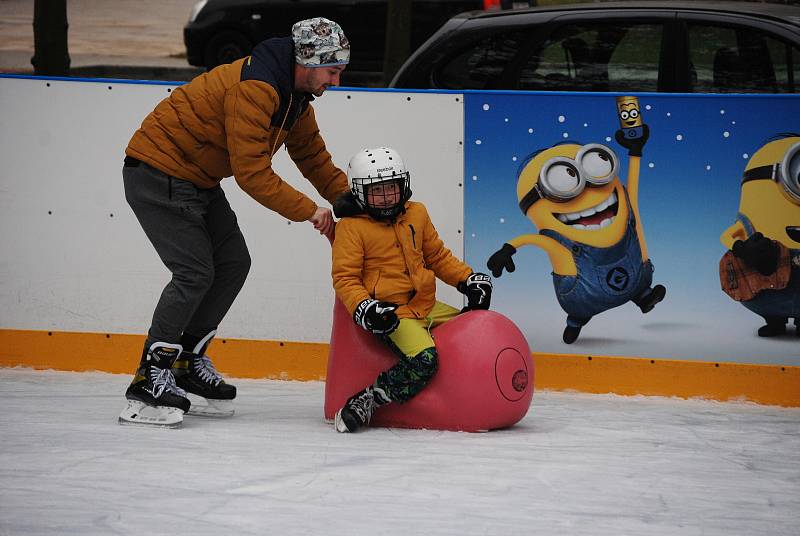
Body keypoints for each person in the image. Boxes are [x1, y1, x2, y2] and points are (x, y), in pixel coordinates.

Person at [119, 17, 352, 428]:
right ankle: (148, 378)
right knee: (194, 272)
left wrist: (352, 203)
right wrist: (310, 211)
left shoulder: (295, 97)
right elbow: (252, 174)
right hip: (158, 172)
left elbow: (314, 158)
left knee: (232, 263)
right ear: (309, 61)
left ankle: (187, 362)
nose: (336, 80)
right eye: (333, 70)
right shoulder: (257, 88)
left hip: (196, 177)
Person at [331, 147, 494, 433]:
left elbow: (437, 257)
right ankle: (368, 399)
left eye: (391, 188)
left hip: (425, 304)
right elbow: (345, 278)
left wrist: (467, 280)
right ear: (359, 193)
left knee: (474, 331)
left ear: (402, 184)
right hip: (392, 315)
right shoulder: (351, 228)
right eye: (376, 191)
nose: (386, 197)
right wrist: (366, 309)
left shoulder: (416, 213)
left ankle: (469, 398)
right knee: (424, 359)